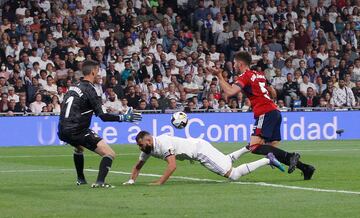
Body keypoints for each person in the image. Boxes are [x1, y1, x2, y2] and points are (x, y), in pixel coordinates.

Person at [210, 52, 315, 180]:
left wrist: (219, 76)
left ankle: (292, 156)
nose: (234, 65)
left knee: (255, 147)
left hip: (264, 112)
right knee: (271, 152)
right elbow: (273, 92)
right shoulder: (258, 74)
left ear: (240, 64)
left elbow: (230, 92)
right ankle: (306, 168)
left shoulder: (245, 76)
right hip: (275, 111)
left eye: (235, 63)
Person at [57, 60, 142, 188]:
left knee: (79, 148)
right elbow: (103, 116)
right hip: (77, 130)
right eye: (98, 71)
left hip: (62, 129)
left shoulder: (74, 86)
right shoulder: (90, 90)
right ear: (92, 72)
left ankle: (81, 179)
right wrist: (123, 117)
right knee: (110, 154)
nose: (99, 74)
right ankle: (100, 182)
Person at [123, 131, 284, 185]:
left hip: (200, 152)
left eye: (141, 144)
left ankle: (267, 159)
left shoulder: (163, 143)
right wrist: (131, 181)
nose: (140, 147)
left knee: (232, 175)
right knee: (226, 160)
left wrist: (159, 182)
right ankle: (247, 147)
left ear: (149, 140)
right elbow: (138, 166)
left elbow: (172, 166)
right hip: (199, 145)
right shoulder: (148, 150)